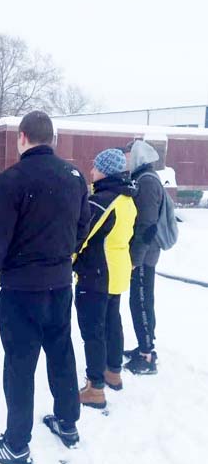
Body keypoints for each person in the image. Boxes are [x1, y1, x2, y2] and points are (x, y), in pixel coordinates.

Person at [0, 111, 90, 464]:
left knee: (20, 365)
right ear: (50, 138)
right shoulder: (74, 176)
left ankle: (17, 445)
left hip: (22, 290)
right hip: (58, 286)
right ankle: (67, 423)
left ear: (23, 137)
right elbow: (82, 227)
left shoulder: (13, 179)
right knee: (61, 353)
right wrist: (61, 256)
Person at [74, 149, 137, 409]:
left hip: (97, 274)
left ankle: (95, 388)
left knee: (93, 330)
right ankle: (113, 372)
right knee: (112, 323)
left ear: (106, 171)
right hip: (117, 270)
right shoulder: (127, 199)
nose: (91, 171)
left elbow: (81, 236)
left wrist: (69, 258)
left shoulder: (101, 201)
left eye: (96, 167)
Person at [123, 140, 163, 374]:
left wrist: (134, 259)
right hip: (144, 252)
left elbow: (146, 225)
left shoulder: (146, 181)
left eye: (128, 154)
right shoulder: (144, 177)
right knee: (141, 301)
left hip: (144, 255)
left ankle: (147, 356)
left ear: (137, 155)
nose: (126, 159)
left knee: (141, 302)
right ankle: (143, 346)